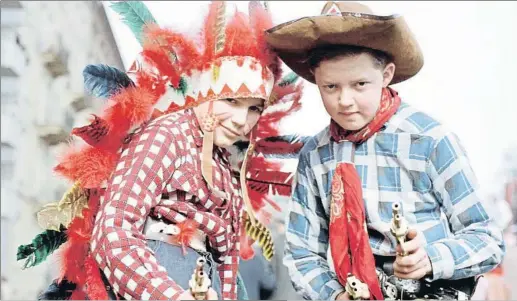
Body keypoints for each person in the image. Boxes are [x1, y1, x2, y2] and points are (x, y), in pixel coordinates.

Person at [16, 1, 303, 300]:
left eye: (254, 108)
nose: (242, 120)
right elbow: (114, 231)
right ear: (208, 92)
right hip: (155, 277)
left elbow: (227, 266)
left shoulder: (226, 169)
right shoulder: (166, 134)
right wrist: (169, 295)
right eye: (231, 101)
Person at [265, 1, 505, 300]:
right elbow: (302, 252)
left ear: (387, 74)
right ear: (316, 81)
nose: (345, 100)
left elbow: (487, 238)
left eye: (360, 84)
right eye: (330, 87)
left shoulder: (430, 140)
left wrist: (429, 258)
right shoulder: (315, 155)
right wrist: (335, 296)